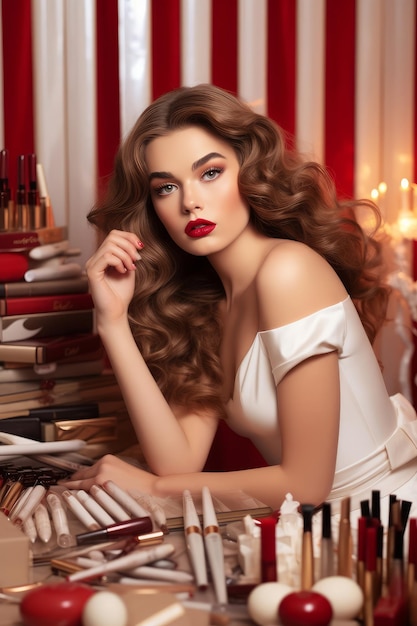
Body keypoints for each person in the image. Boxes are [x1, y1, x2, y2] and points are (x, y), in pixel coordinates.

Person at [63, 83, 417, 527]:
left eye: (210, 172)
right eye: (166, 187)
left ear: (249, 170)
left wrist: (151, 489)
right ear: (152, 209)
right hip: (314, 529)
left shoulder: (288, 272)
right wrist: (112, 321)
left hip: (392, 521)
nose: (190, 202)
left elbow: (308, 483)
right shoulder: (207, 306)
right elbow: (179, 463)